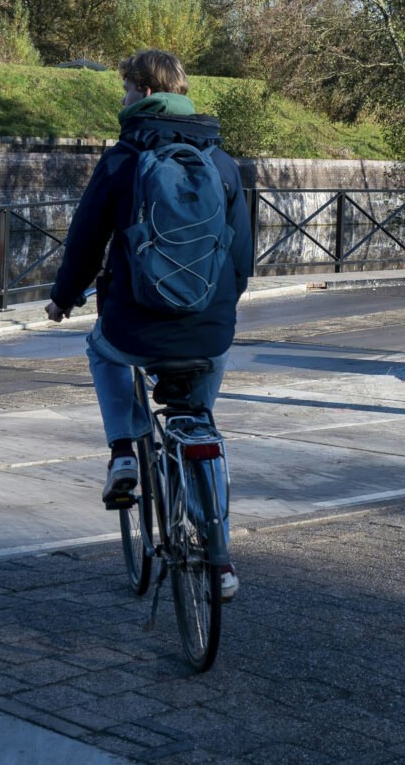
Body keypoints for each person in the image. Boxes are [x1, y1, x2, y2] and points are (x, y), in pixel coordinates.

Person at [44, 49, 254, 599]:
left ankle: (121, 453)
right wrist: (218, 306)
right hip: (210, 330)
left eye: (124, 89)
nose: (122, 98)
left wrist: (63, 299)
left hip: (134, 325)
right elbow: (242, 260)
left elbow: (86, 241)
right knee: (199, 421)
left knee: (101, 350)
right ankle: (222, 561)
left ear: (140, 90)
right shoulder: (223, 163)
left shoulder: (122, 159)